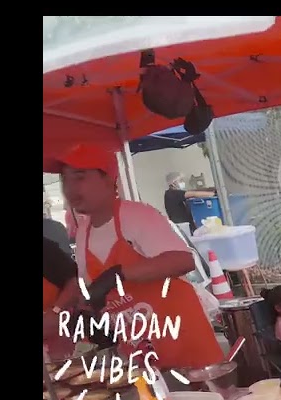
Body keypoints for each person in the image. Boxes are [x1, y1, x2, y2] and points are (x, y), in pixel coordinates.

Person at [45, 143, 225, 370]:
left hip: (186, 349)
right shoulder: (83, 232)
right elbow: (89, 289)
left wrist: (118, 274)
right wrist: (84, 310)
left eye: (79, 177)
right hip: (140, 356)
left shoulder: (136, 215)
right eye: (65, 180)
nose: (69, 189)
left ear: (107, 179)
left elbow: (183, 260)